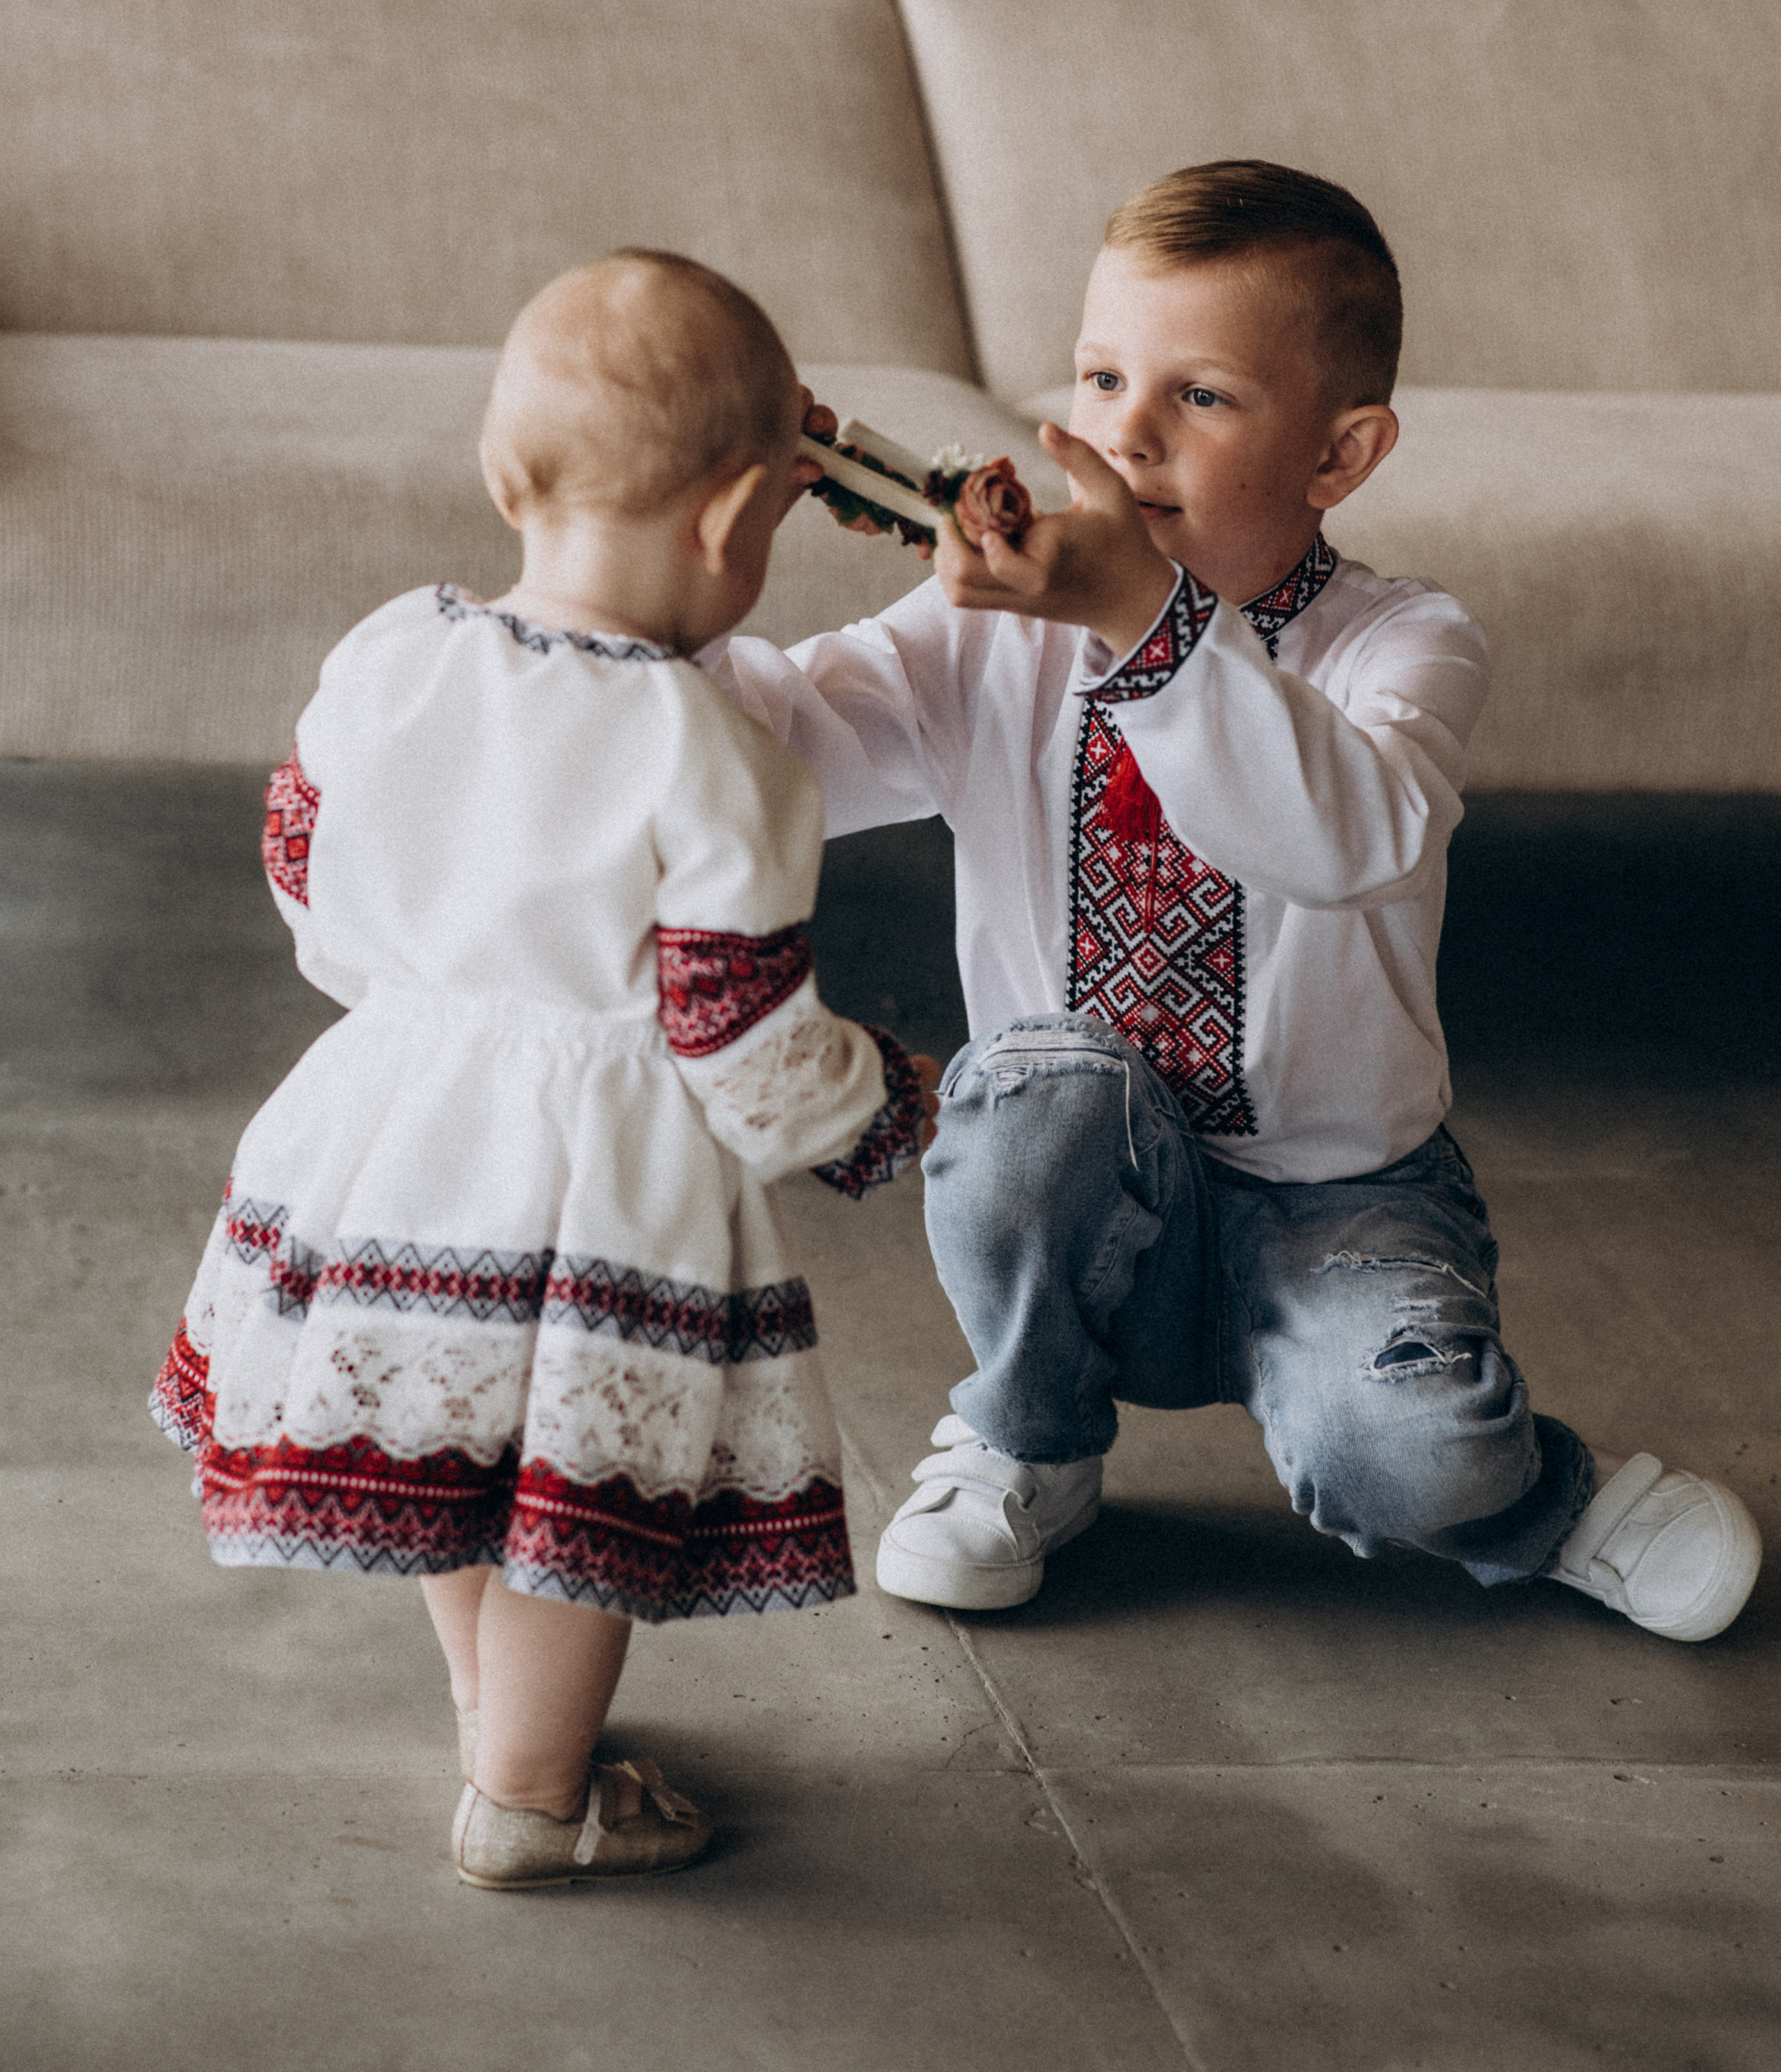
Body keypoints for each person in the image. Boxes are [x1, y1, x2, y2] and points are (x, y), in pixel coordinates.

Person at [709, 161, 1762, 1644]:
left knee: (1396, 1452)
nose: (1123, 431)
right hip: (1085, 1171)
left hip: (1339, 1199)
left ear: (1338, 455)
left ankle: (1532, 1498)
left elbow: (1345, 833)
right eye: (1098, 375)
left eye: (1198, 397)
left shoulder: (1404, 645)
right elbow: (777, 743)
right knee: (1023, 1093)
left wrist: (1143, 620)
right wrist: (659, 591)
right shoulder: (986, 636)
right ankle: (1030, 1436)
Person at [151, 251, 939, 1890]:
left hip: (396, 1117)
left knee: (449, 1439)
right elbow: (732, 1030)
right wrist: (890, 1106)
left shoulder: (389, 656)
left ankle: (483, 1702)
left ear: (508, 475)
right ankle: (531, 1792)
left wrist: (412, 1006)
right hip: (609, 1173)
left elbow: (304, 856)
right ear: (733, 524)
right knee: (585, 1476)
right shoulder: (714, 753)